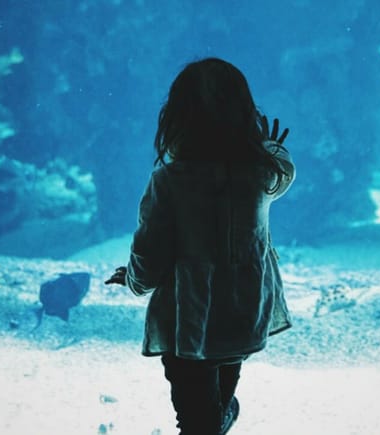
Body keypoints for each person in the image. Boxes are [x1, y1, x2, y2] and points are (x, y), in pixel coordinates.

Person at [105, 57, 295, 434]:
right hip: (241, 317)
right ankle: (222, 414)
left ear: (177, 117)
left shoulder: (170, 180)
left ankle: (219, 417)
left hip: (189, 324)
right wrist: (269, 147)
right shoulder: (260, 172)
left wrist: (133, 280)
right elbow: (283, 173)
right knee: (212, 410)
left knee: (196, 422)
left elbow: (150, 254)